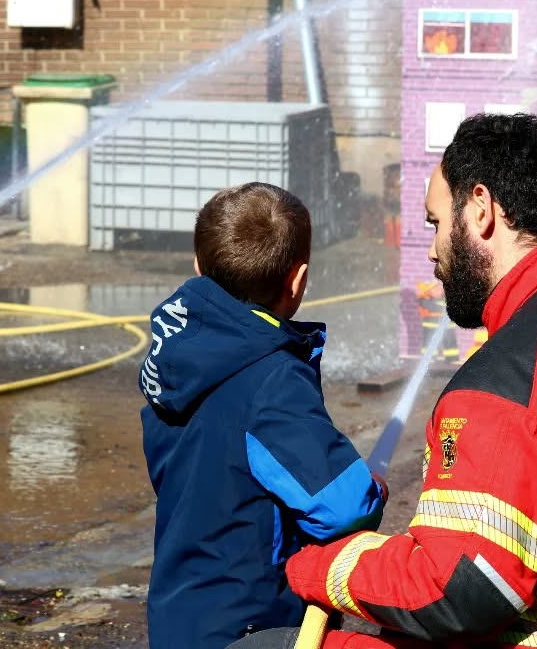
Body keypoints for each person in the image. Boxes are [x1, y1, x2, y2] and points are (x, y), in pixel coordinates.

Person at [236, 113, 537, 649]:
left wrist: (322, 567)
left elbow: (461, 590)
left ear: (481, 209)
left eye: (436, 223)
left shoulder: (504, 383)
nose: (432, 251)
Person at [138, 182, 388, 649]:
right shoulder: (271, 379)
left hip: (180, 614)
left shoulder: (172, 357)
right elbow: (343, 508)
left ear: (198, 266)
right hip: (253, 622)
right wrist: (373, 490)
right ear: (298, 280)